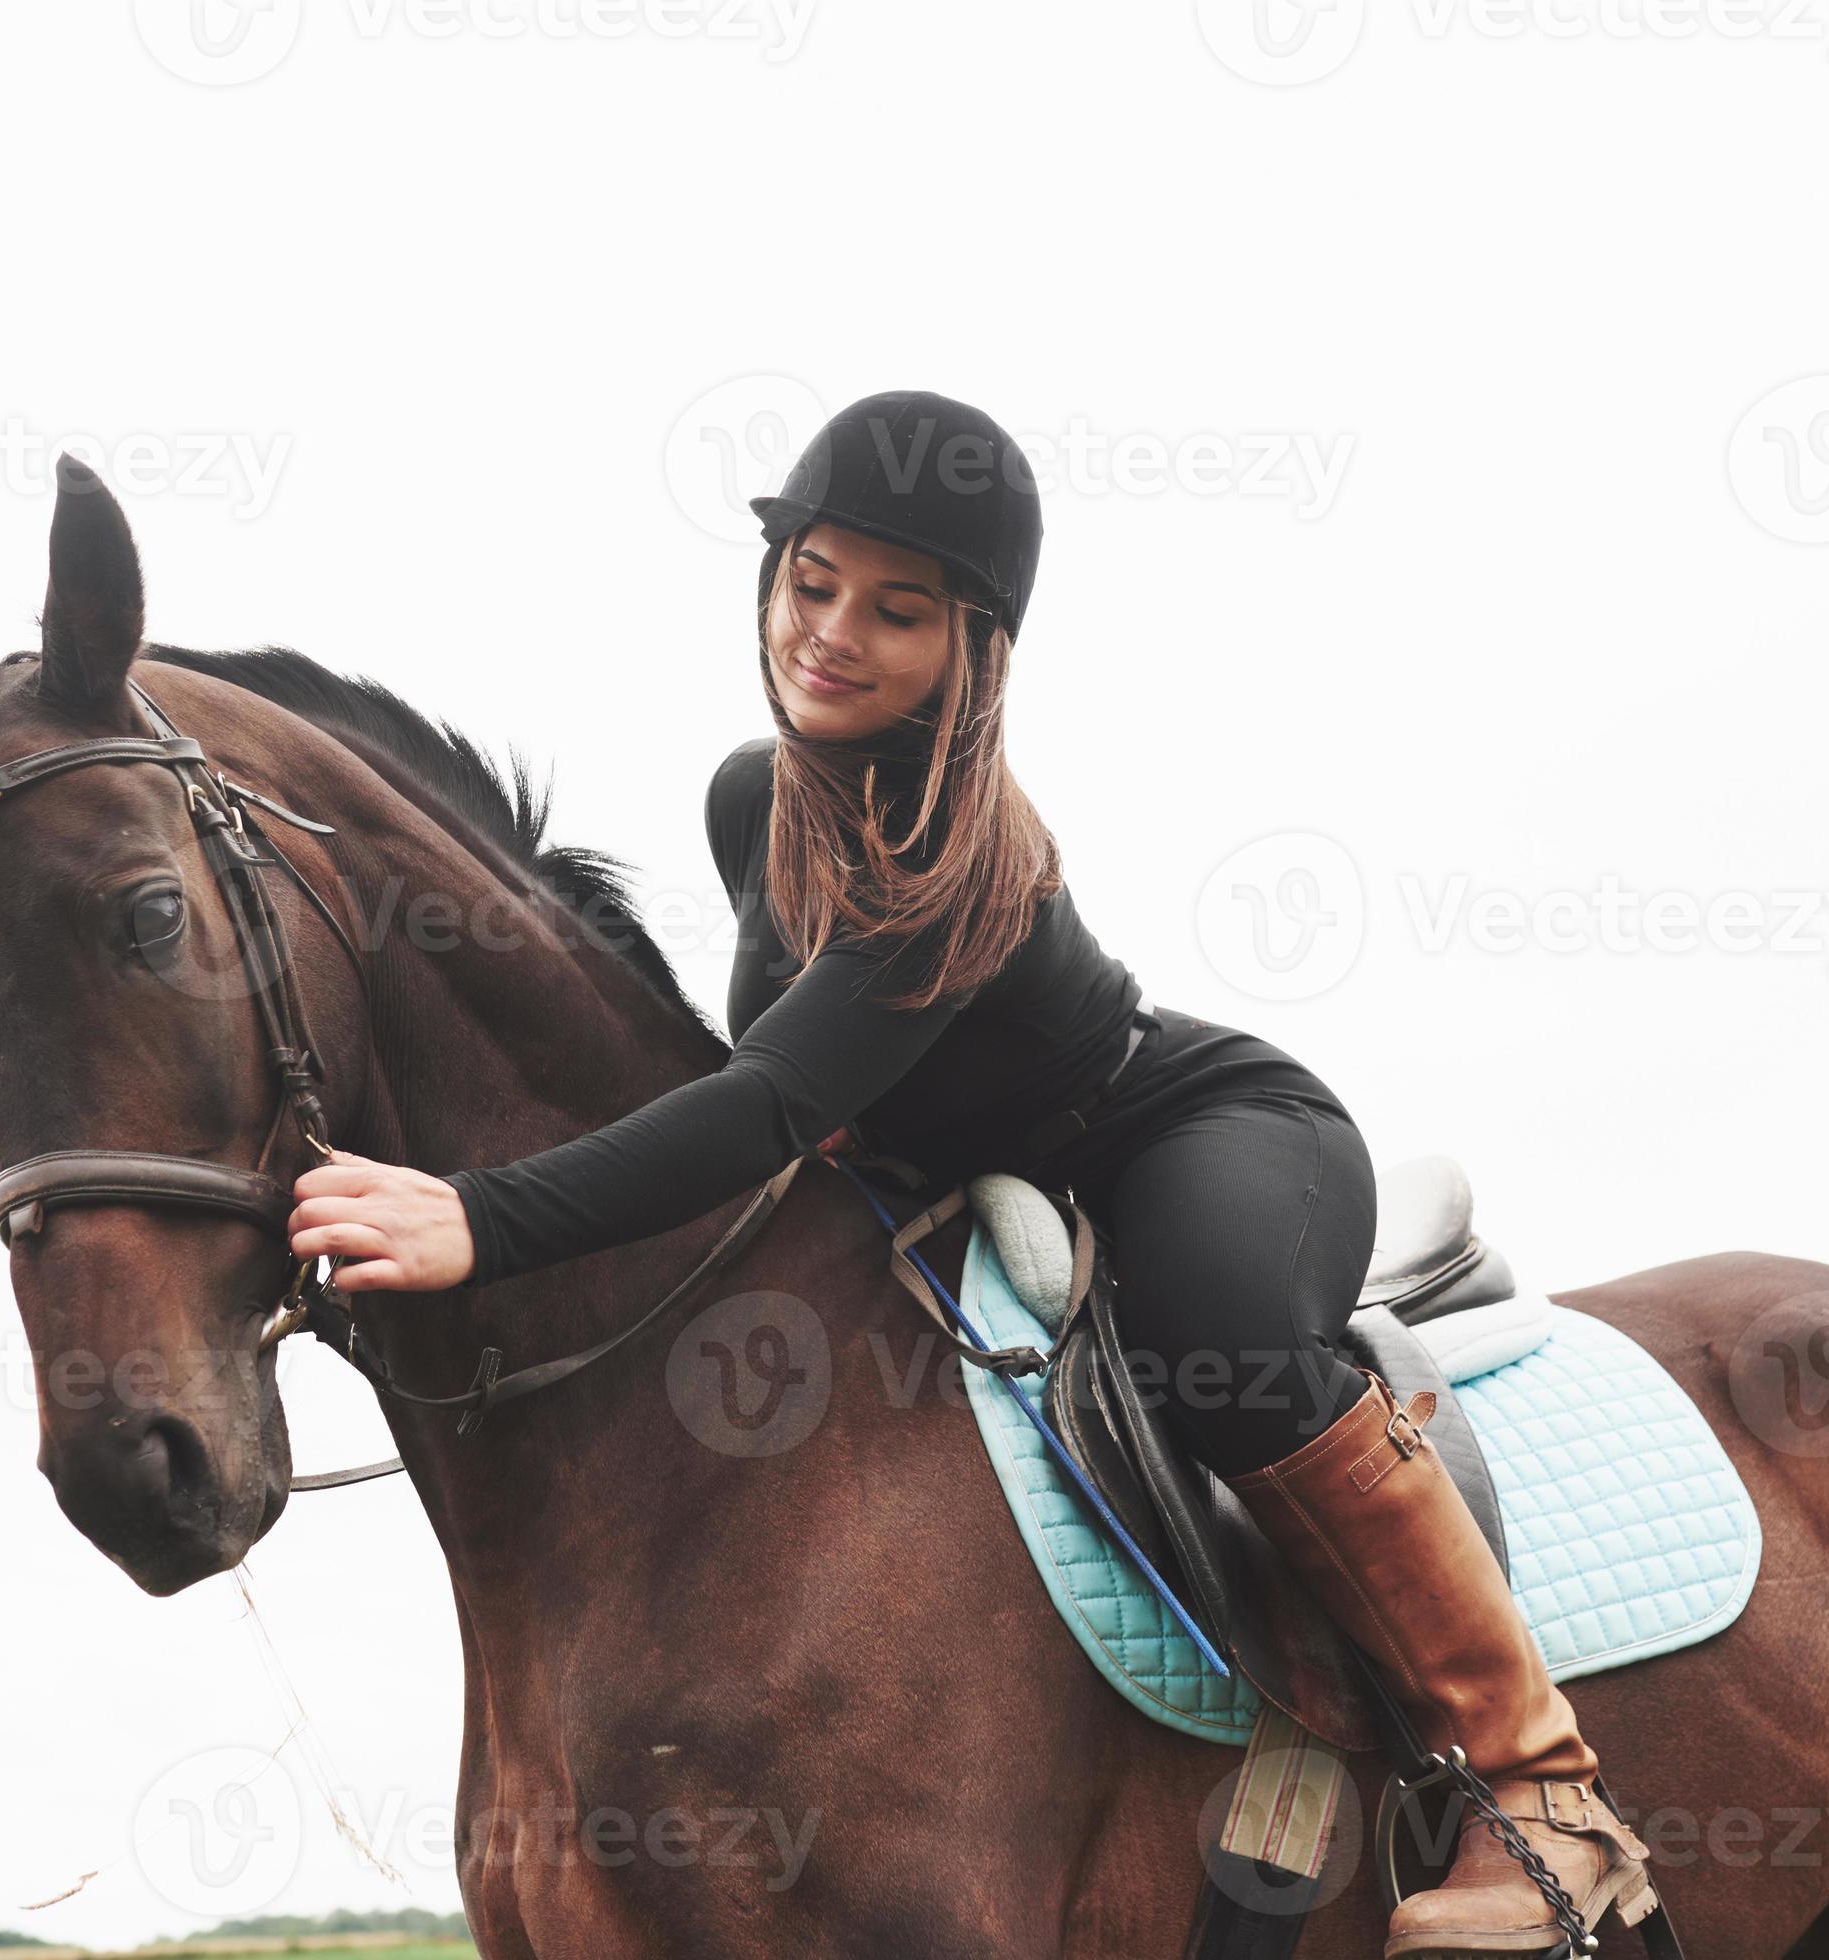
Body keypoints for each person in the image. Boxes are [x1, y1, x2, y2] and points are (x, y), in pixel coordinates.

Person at [284, 390, 1649, 1956]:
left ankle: (1547, 1793)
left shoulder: (960, 861)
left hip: (1192, 1132)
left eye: (899, 609)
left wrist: (477, 1215)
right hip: (982, 1184)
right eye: (813, 584)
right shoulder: (758, 794)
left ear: (975, 648)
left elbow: (768, 1102)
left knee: (1225, 1341)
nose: (835, 633)